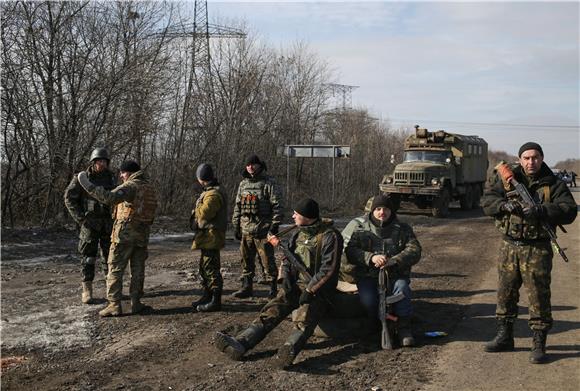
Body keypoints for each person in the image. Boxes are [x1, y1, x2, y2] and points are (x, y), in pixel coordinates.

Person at [215, 198, 343, 369]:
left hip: (320, 291)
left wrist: (311, 290)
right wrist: (286, 281)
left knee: (305, 318)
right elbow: (287, 260)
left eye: (296, 214)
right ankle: (241, 343)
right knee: (272, 309)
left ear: (307, 216)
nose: (293, 216)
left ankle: (288, 351)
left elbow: (328, 269)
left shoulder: (330, 236)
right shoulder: (298, 233)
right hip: (297, 285)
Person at [481, 142, 577, 364]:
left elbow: (569, 210)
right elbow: (487, 201)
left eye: (535, 157)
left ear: (542, 159)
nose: (530, 162)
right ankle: (505, 337)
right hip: (509, 244)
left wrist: (542, 209)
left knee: (538, 296)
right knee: (506, 293)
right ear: (520, 159)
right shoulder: (507, 178)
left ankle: (538, 343)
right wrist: (503, 206)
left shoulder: (552, 182)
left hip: (538, 247)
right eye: (526, 158)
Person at [77, 160, 158, 317]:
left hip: (125, 235)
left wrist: (90, 187)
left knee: (115, 268)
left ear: (128, 172)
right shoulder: (149, 188)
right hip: (142, 235)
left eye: (122, 173)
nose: (121, 176)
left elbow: (110, 198)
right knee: (137, 270)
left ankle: (114, 304)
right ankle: (136, 303)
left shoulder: (130, 186)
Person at [340, 194, 422, 347]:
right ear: (372, 211)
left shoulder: (403, 229)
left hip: (396, 275)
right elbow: (350, 252)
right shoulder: (360, 229)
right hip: (368, 276)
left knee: (402, 290)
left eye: (385, 209)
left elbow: (415, 250)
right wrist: (370, 258)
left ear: (391, 211)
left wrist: (394, 261)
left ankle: (404, 328)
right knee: (369, 301)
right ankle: (378, 325)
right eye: (378, 209)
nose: (382, 212)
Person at [64, 147, 116, 304]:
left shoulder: (112, 179)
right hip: (89, 224)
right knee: (88, 258)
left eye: (104, 161)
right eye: (99, 161)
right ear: (93, 162)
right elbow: (69, 198)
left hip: (108, 223)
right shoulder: (82, 178)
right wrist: (80, 218)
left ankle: (111, 290)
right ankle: (87, 290)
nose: (102, 164)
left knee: (110, 258)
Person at [231, 154, 284, 299]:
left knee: (268, 261)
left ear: (259, 165)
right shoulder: (243, 184)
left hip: (263, 230)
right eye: (248, 165)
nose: (250, 167)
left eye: (253, 164)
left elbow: (277, 205)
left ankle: (273, 289)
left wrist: (274, 226)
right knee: (246, 261)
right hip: (246, 230)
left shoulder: (268, 183)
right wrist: (236, 225)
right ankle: (247, 287)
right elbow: (238, 206)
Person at [190, 163, 228, 312]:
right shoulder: (210, 191)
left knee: (211, 269)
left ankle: (215, 300)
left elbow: (205, 213)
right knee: (204, 268)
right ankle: (208, 295)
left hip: (212, 236)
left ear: (201, 178)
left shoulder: (213, 194)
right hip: (207, 236)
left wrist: (195, 210)